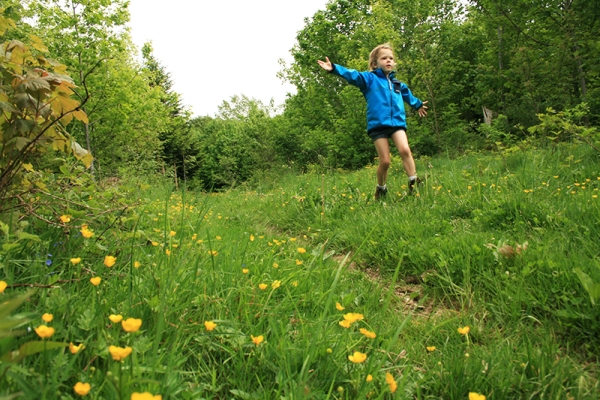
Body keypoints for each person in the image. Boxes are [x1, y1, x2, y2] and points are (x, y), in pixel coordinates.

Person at [317, 43, 428, 199]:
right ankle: (381, 188)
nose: (388, 61)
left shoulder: (397, 84)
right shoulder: (369, 79)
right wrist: (334, 68)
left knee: (405, 150)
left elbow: (407, 95)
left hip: (396, 123)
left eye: (391, 58)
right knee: (385, 161)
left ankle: (413, 182)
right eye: (384, 58)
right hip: (378, 125)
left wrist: (417, 105)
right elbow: (352, 74)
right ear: (375, 63)